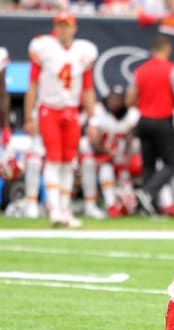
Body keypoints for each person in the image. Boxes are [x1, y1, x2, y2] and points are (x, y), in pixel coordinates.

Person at [24, 12, 98, 227]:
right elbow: (33, 85)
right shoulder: (44, 48)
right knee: (54, 159)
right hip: (50, 109)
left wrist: (92, 120)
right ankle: (54, 208)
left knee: (69, 162)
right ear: (55, 27)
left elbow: (87, 89)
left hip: (71, 110)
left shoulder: (83, 52)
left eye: (67, 26)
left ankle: (64, 210)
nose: (64, 29)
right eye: (60, 25)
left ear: (74, 28)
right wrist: (29, 116)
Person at [126, 34, 174, 216]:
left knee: (148, 164)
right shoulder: (172, 70)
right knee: (171, 163)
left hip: (144, 120)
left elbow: (129, 99)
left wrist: (145, 102)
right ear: (167, 49)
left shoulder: (140, 70)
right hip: (163, 119)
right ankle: (147, 192)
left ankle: (146, 206)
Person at [79, 85, 140, 219]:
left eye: (118, 99)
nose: (114, 102)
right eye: (112, 99)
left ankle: (125, 202)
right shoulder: (99, 112)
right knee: (93, 163)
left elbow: (130, 138)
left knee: (133, 165)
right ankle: (101, 204)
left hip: (119, 155)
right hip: (100, 154)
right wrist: (106, 152)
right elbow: (92, 141)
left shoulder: (132, 115)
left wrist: (127, 156)